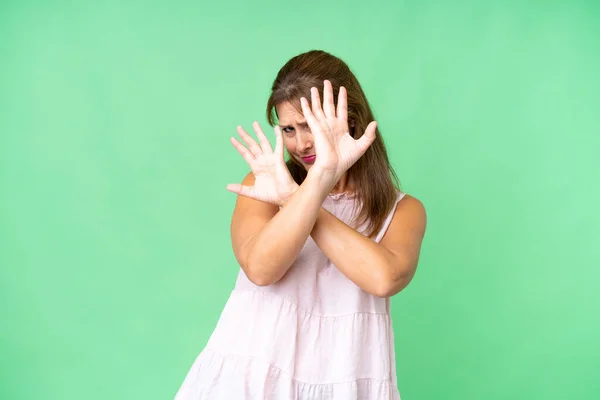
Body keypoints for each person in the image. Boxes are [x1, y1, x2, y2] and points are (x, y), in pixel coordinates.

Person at [174, 49, 427, 400]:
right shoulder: (262, 184)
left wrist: (302, 194)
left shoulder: (402, 210)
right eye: (289, 129)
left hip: (346, 377)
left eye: (310, 126)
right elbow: (261, 269)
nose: (301, 143)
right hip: (253, 378)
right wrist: (311, 188)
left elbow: (383, 278)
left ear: (349, 118)